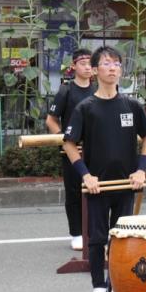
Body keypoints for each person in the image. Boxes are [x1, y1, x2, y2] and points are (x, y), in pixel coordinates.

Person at [62, 46, 146, 292]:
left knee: (122, 236)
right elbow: (69, 143)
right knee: (98, 236)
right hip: (97, 186)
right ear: (94, 70)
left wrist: (141, 169)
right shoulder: (86, 107)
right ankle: (98, 285)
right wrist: (85, 175)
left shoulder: (131, 105)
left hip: (126, 183)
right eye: (106, 63)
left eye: (116, 63)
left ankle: (117, 284)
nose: (112, 68)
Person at [45, 48, 95, 250]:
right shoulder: (66, 90)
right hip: (72, 149)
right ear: (74, 66)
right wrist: (63, 139)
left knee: (96, 190)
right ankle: (76, 233)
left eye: (91, 64)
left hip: (95, 148)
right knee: (74, 191)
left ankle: (93, 230)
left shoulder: (98, 90)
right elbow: (51, 119)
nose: (87, 67)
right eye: (83, 63)